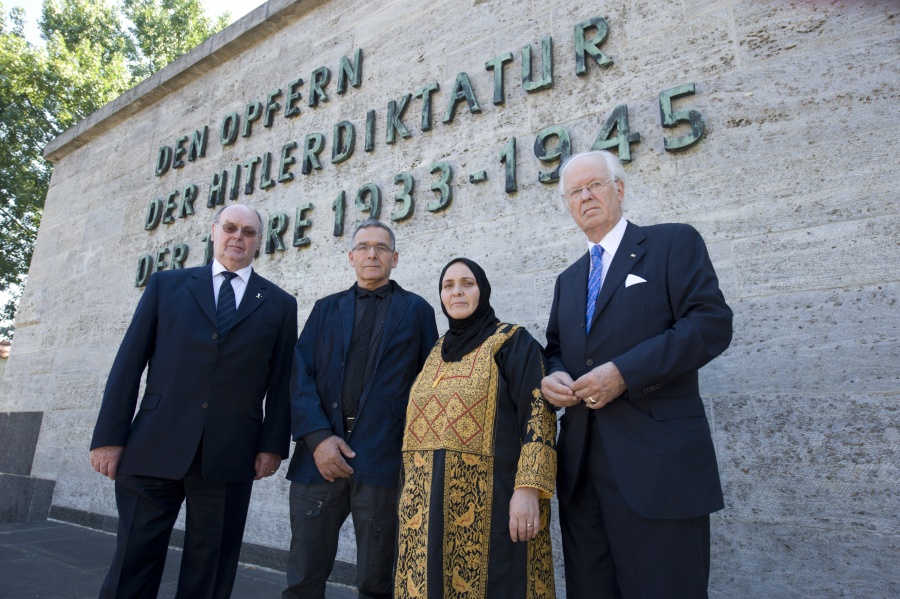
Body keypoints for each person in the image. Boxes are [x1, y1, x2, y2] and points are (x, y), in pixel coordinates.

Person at [541, 150, 733, 599]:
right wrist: (553, 377)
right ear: (568, 205)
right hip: (581, 471)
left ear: (619, 190)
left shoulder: (672, 243)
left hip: (656, 467)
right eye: (575, 192)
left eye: (595, 185)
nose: (585, 196)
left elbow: (710, 324)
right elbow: (555, 349)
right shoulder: (568, 280)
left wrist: (624, 373)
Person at [89, 204, 298, 599]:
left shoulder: (280, 304)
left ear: (259, 242)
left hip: (229, 454)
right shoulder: (166, 286)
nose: (239, 237)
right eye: (231, 228)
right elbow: (128, 364)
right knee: (132, 561)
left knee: (211, 569)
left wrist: (272, 446)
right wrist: (108, 437)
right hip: (152, 446)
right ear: (214, 231)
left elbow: (282, 380)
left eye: (249, 232)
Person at [285, 220, 438, 599]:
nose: (373, 254)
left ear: (395, 258)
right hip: (318, 459)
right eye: (364, 247)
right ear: (351, 257)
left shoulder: (417, 310)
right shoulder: (324, 309)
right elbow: (299, 375)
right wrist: (319, 439)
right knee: (304, 575)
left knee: (376, 580)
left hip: (383, 461)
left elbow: (429, 384)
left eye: (381, 247)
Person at [395, 258, 557, 599]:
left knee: (500, 583)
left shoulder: (512, 342)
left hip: (497, 505)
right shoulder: (436, 351)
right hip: (427, 507)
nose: (457, 292)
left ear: (482, 290)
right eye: (448, 285)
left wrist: (528, 489)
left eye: (467, 283)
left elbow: (539, 414)